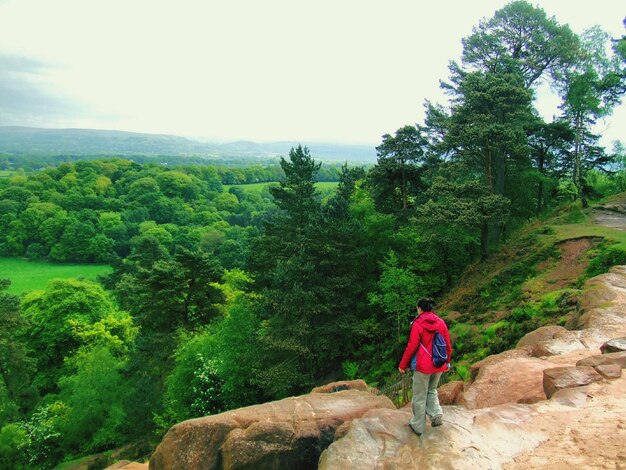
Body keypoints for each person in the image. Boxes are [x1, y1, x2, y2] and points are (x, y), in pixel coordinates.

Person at [398, 297, 452, 436]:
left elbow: (412, 345)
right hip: (439, 363)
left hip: (423, 366)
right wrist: (447, 361)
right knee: (432, 390)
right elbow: (447, 343)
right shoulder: (440, 322)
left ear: (419, 309)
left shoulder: (418, 324)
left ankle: (418, 425)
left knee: (419, 395)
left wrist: (403, 364)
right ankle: (436, 415)